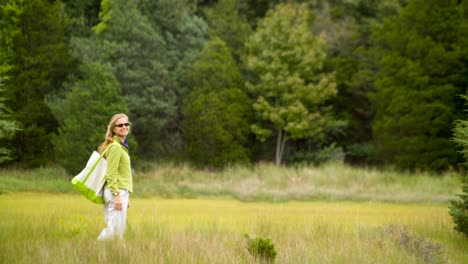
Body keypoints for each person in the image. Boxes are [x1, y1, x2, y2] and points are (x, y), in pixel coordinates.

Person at [97, 113, 133, 241]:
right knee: (115, 232)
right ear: (113, 129)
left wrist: (125, 196)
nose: (124, 127)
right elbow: (111, 174)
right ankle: (94, 249)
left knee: (116, 230)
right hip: (115, 192)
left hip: (118, 192)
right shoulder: (116, 147)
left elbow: (120, 174)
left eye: (126, 124)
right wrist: (118, 195)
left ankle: (109, 256)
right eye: (120, 125)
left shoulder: (120, 147)